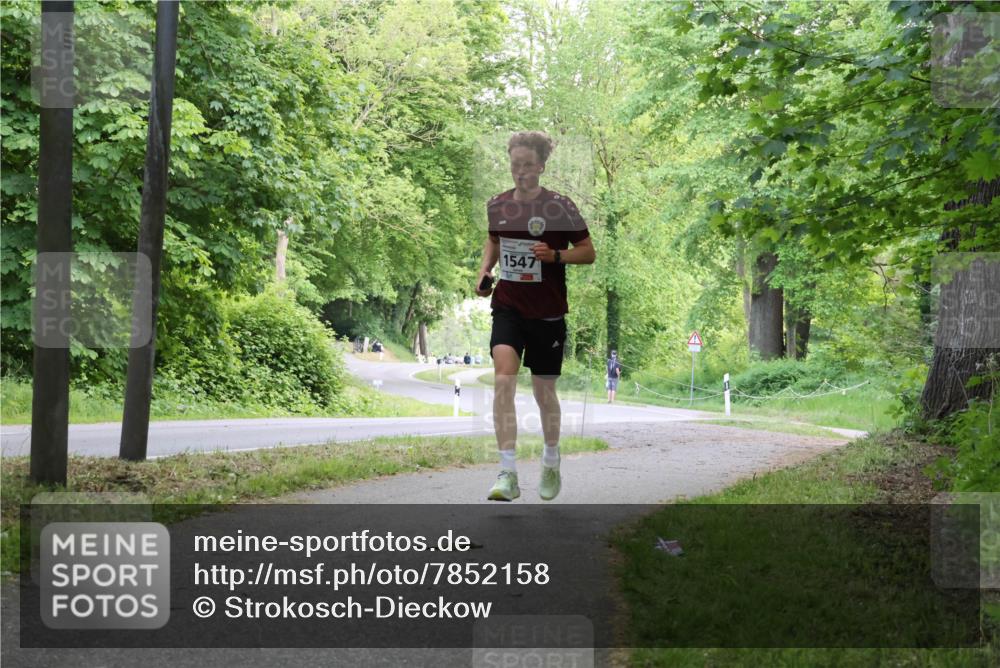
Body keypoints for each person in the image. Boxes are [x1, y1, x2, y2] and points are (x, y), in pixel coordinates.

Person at [475, 130, 596, 502]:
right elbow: (494, 240)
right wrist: (484, 272)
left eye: (528, 165)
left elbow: (588, 251)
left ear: (541, 166)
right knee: (503, 380)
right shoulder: (498, 205)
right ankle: (507, 473)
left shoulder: (559, 207)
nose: (521, 171)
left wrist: (556, 256)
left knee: (544, 392)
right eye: (515, 165)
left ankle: (551, 460)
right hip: (508, 306)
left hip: (547, 314)